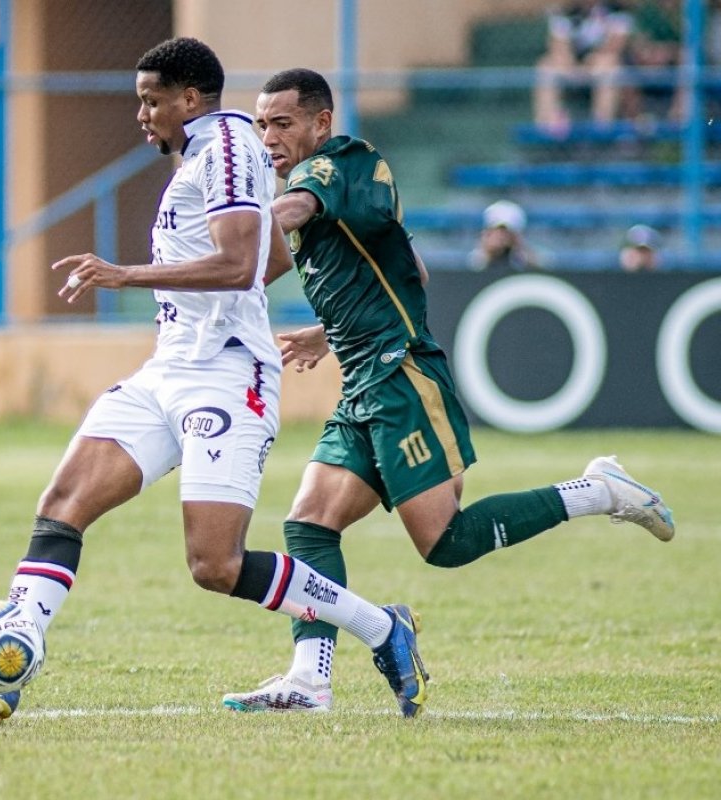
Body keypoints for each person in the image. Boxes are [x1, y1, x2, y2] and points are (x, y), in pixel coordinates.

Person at [0, 37, 428, 720]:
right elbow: (256, 266)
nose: (142, 115)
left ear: (188, 98)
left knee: (216, 565)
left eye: (151, 101)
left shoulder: (231, 146)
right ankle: (8, 657)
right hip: (169, 370)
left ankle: (384, 629)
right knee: (64, 500)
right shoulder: (200, 158)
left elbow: (240, 263)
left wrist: (125, 275)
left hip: (225, 377)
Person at [220, 68, 675, 713]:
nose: (269, 136)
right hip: (363, 379)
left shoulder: (337, 165)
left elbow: (292, 211)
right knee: (310, 523)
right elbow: (416, 267)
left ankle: (598, 490)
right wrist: (331, 329)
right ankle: (309, 680)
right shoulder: (335, 186)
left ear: (321, 123)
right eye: (262, 124)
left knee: (445, 543)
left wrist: (233, 221)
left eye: (283, 123)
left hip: (401, 376)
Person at [534, 0, 634, 135]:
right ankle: (547, 126)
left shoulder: (617, 11)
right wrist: (572, 66)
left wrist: (589, 63)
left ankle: (601, 127)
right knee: (545, 66)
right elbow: (558, 46)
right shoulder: (564, 12)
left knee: (609, 64)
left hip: (599, 64)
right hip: (572, 67)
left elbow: (615, 45)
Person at [468, 199, 543, 272]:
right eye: (498, 230)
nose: (503, 236)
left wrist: (520, 247)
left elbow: (543, 271)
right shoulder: (478, 256)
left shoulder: (521, 256)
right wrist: (488, 251)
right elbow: (473, 269)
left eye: (507, 232)